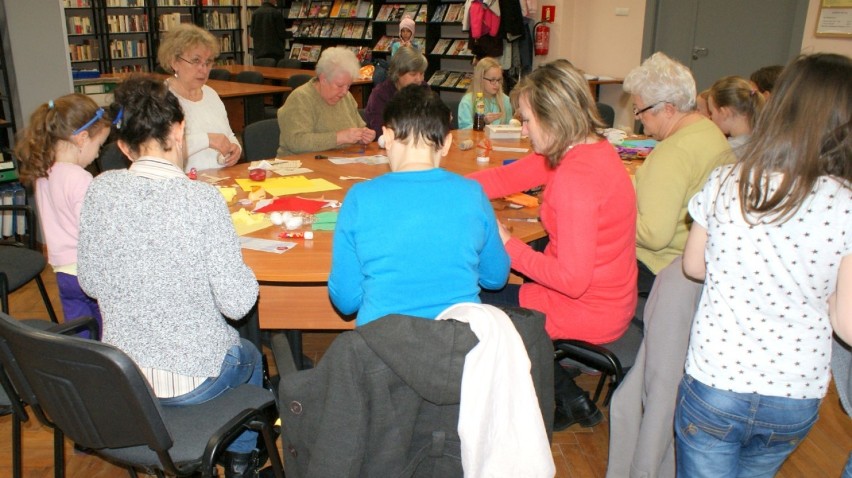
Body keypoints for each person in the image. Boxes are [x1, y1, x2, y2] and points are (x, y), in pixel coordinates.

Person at [77, 76, 263, 478]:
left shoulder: (100, 189)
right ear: (179, 130)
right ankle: (243, 461)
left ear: (124, 146)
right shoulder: (201, 200)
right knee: (251, 355)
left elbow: (90, 283)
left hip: (124, 382)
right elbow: (239, 303)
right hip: (195, 382)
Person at [676, 53, 852, 477]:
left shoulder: (728, 181)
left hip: (717, 378)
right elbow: (846, 322)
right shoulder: (846, 204)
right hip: (795, 390)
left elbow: (694, 266)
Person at [469, 61, 637, 431]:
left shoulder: (574, 180)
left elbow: (571, 281)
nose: (523, 130)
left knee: (467, 301)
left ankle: (564, 394)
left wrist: (508, 242)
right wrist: (449, 188)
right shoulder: (589, 151)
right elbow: (506, 176)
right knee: (494, 288)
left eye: (527, 120)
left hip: (586, 308)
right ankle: (557, 383)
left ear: (555, 117)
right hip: (609, 296)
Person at [328, 85, 509, 326]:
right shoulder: (472, 194)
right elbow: (495, 278)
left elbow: (346, 300)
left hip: (381, 349)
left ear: (388, 137)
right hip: (459, 349)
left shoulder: (359, 199)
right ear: (446, 143)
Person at [622, 52, 732, 301]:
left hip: (656, 269)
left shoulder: (673, 152)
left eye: (640, 110)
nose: (638, 118)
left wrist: (609, 215)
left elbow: (653, 235)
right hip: (697, 264)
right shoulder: (710, 132)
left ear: (668, 109)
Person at [15, 93, 110, 337]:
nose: (98, 154)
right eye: (99, 146)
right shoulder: (81, 178)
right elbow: (94, 230)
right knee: (105, 330)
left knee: (80, 332)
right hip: (88, 272)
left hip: (63, 272)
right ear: (82, 139)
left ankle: (80, 370)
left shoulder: (44, 172)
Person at [157, 23, 241, 172]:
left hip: (221, 178)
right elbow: (162, 151)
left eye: (208, 62)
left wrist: (236, 148)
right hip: (181, 182)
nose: (203, 69)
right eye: (196, 61)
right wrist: (207, 140)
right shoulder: (161, 98)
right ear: (174, 62)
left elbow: (229, 134)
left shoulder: (211, 94)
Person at [276, 46, 375, 156]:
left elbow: (359, 127)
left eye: (348, 86)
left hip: (337, 163)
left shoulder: (346, 97)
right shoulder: (300, 99)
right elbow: (296, 142)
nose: (344, 91)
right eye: (340, 85)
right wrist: (339, 137)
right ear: (323, 79)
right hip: (299, 166)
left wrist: (364, 135)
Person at [363, 45, 428, 138]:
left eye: (422, 74)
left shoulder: (423, 87)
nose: (419, 79)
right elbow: (380, 132)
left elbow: (440, 124)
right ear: (398, 73)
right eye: (413, 74)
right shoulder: (380, 94)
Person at [707, 75, 765, 156]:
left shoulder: (727, 152)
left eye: (711, 112)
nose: (710, 117)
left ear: (724, 113)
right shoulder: (764, 144)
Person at [457, 57, 513, 130]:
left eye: (499, 80)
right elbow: (463, 131)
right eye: (492, 80)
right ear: (480, 79)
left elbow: (509, 129)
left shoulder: (505, 100)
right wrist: (482, 122)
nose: (497, 84)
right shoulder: (467, 101)